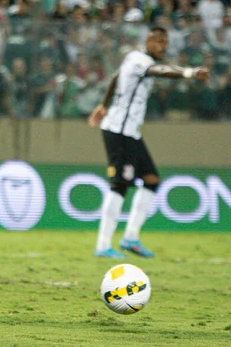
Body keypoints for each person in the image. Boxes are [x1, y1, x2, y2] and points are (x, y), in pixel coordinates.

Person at [89, 27, 210, 259]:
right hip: (118, 131)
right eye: (159, 41)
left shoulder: (133, 60)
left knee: (151, 180)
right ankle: (103, 245)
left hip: (131, 132)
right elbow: (159, 70)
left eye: (166, 42)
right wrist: (189, 72)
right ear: (149, 40)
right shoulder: (139, 59)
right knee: (120, 185)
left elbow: (116, 77)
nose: (163, 46)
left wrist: (103, 104)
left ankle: (130, 238)